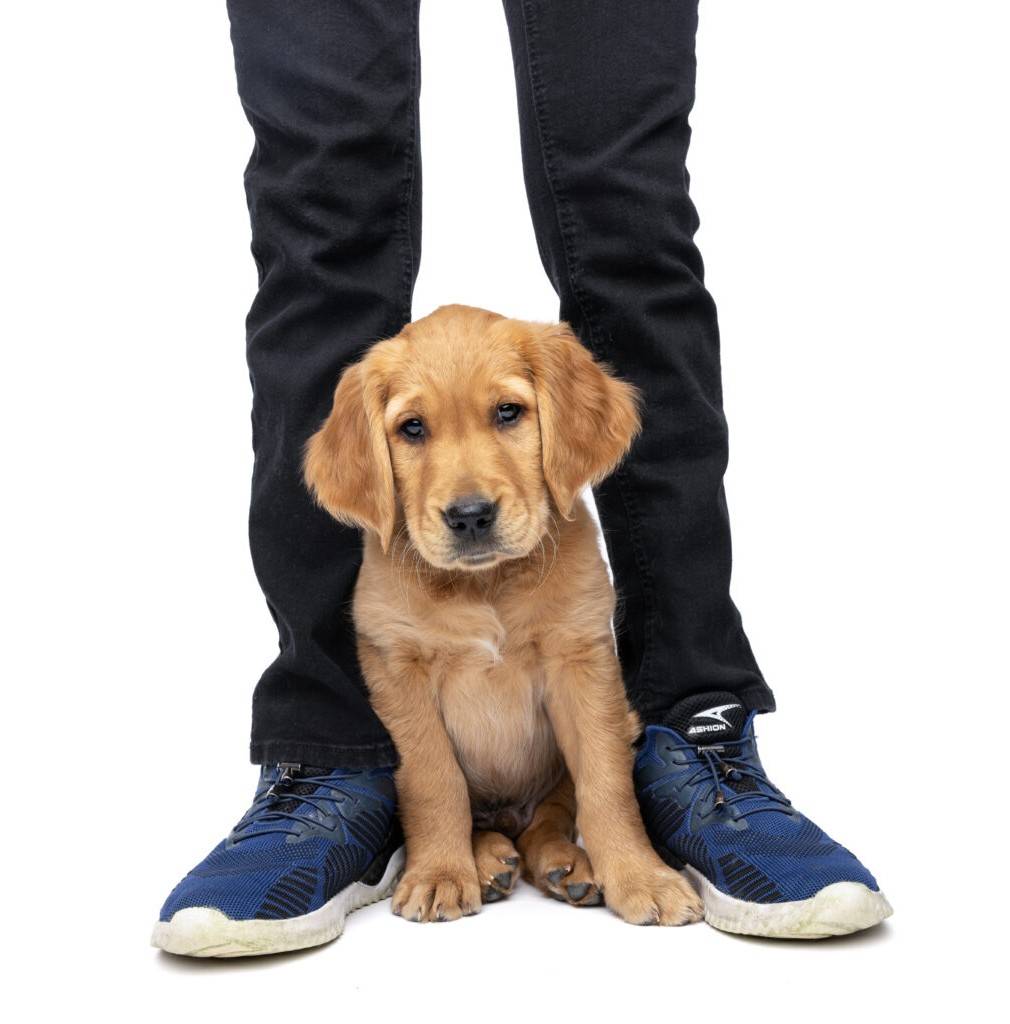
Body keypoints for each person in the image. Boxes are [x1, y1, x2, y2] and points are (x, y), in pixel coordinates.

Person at [152, 0, 891, 955]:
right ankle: (333, 756)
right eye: (414, 430)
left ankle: (686, 725)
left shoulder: (560, 432)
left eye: (509, 414)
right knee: (318, 196)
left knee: (628, 196)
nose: (467, 490)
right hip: (416, 689)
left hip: (570, 672)